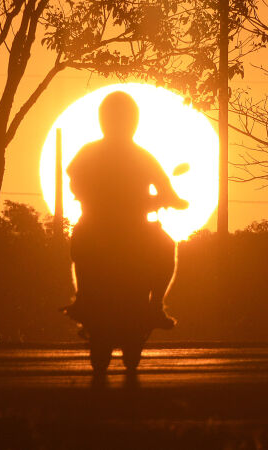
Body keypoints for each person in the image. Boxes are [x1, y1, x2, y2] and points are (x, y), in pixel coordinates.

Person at [64, 91, 188, 330]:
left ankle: (85, 300)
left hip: (103, 226)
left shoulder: (90, 152)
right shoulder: (142, 156)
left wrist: (172, 200)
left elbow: (74, 181)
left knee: (82, 242)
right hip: (125, 228)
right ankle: (154, 307)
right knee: (164, 246)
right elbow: (169, 193)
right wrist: (175, 202)